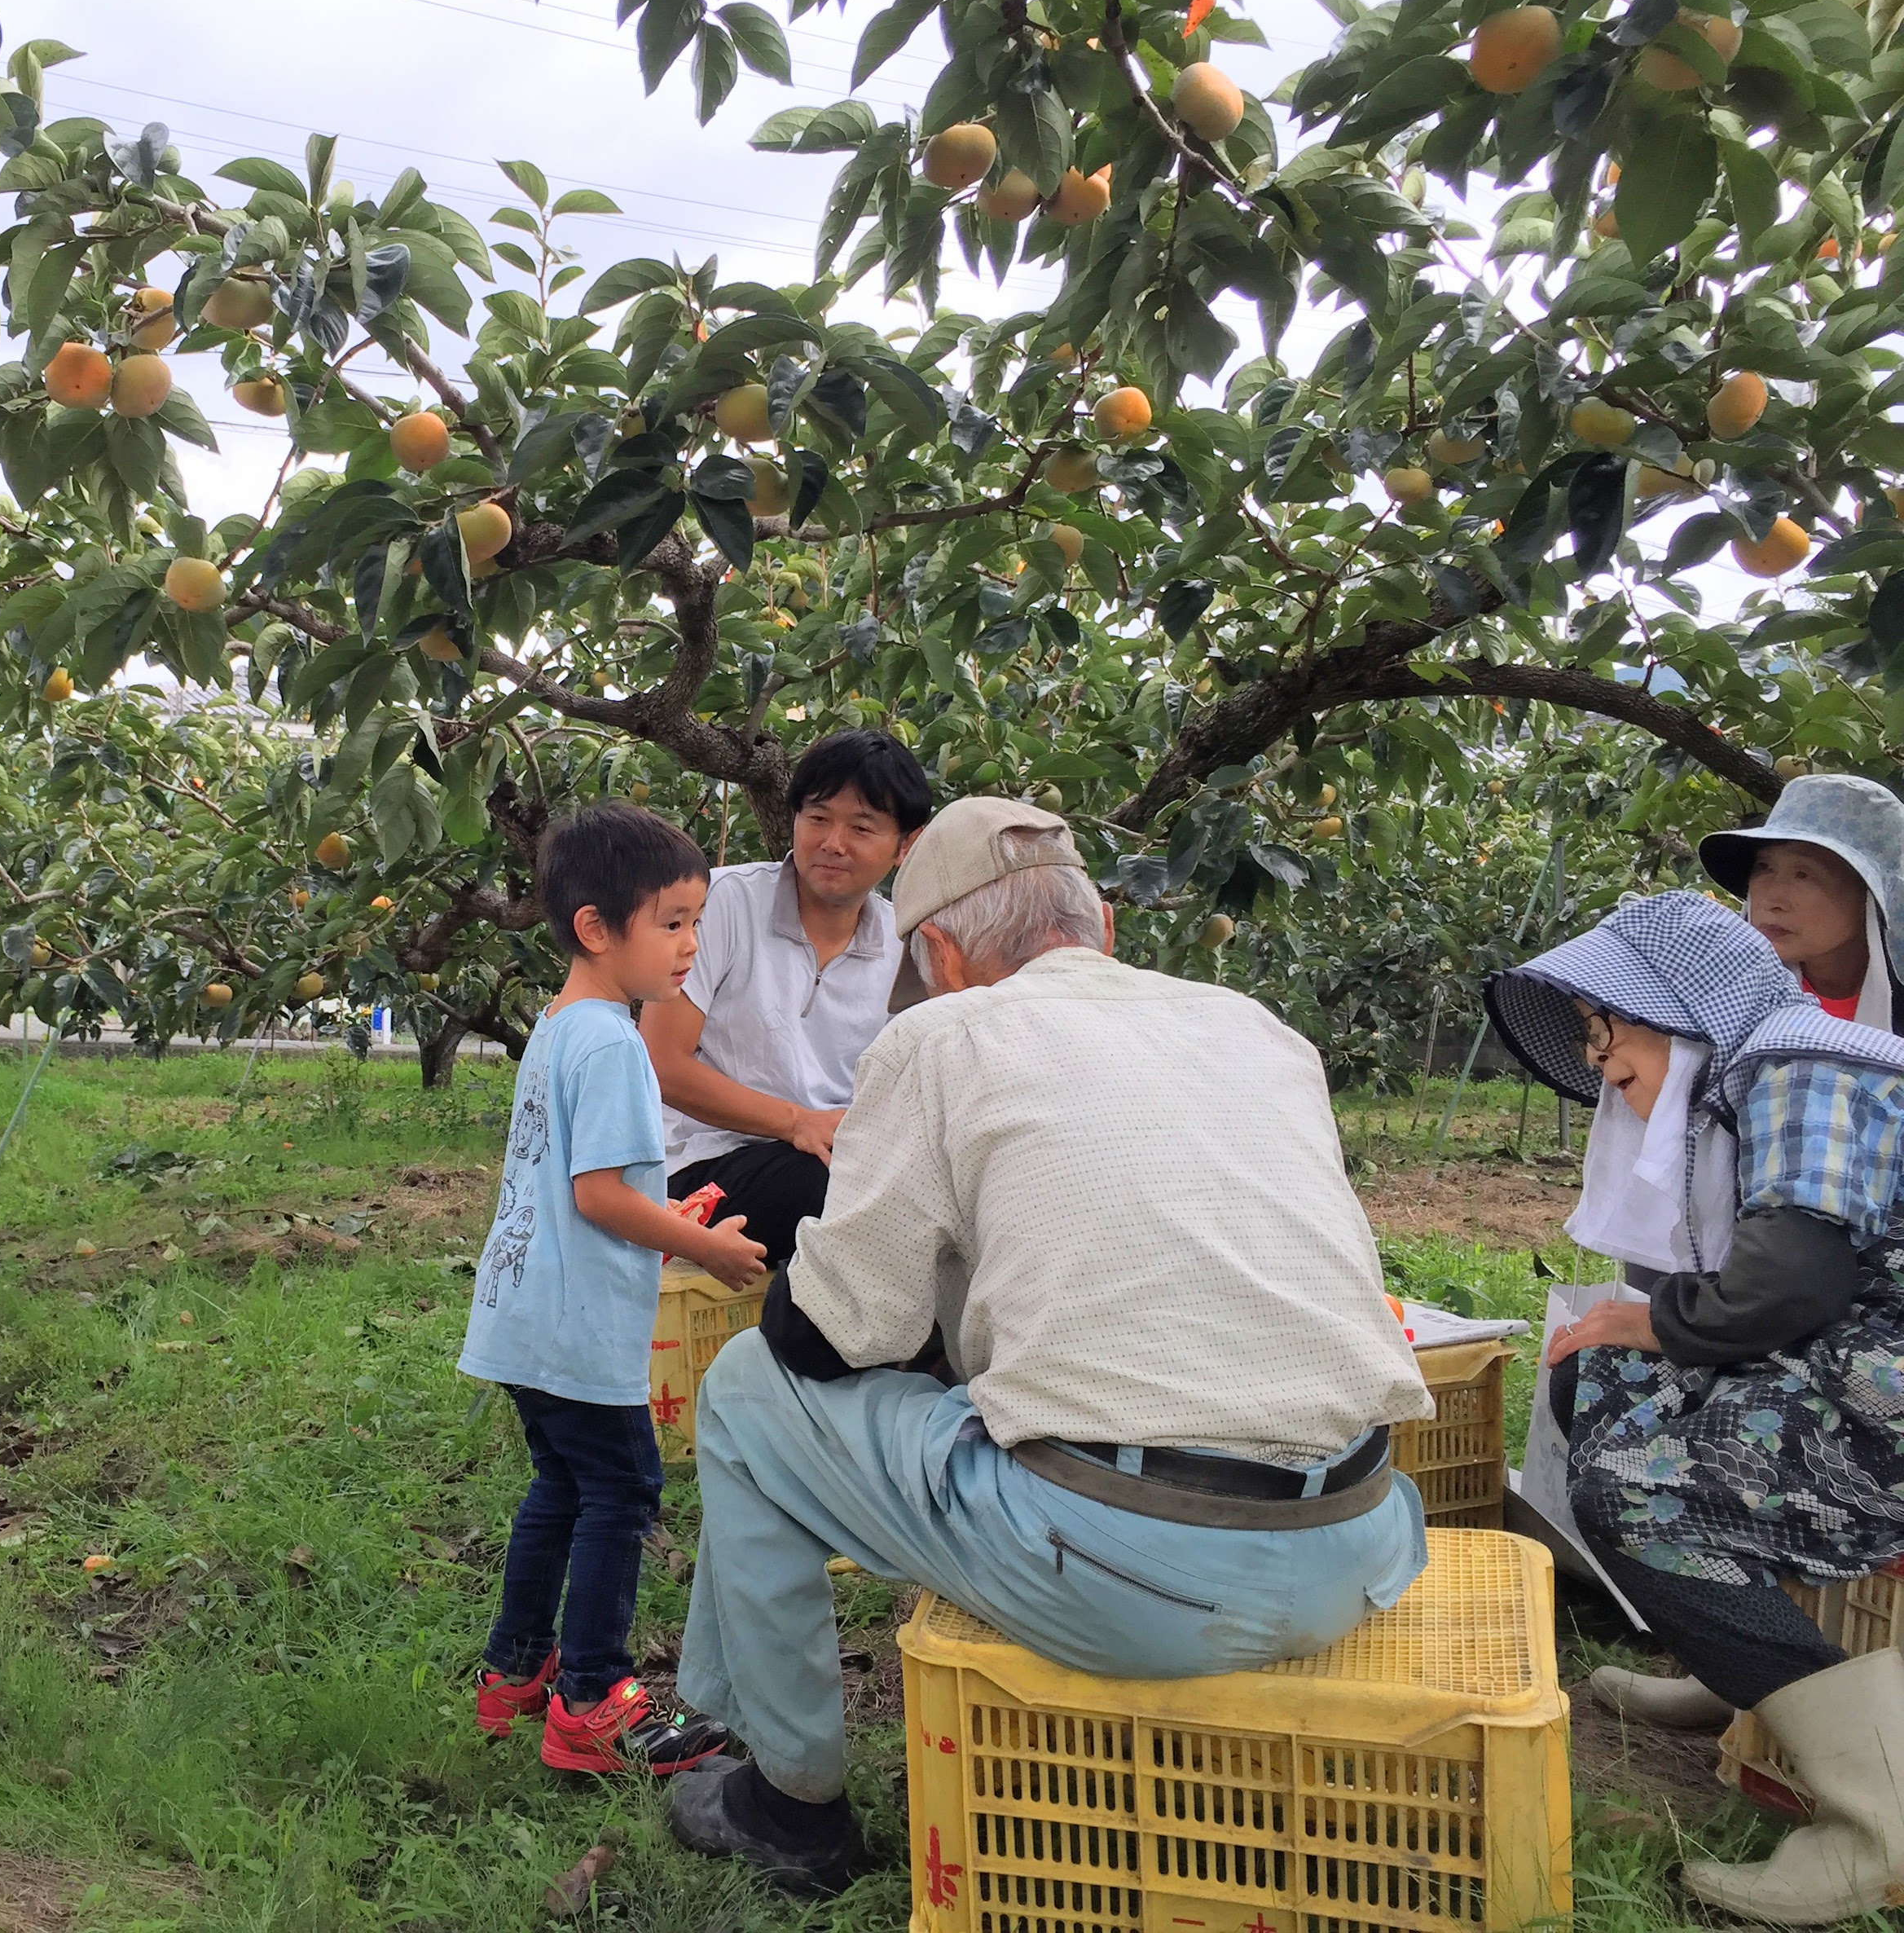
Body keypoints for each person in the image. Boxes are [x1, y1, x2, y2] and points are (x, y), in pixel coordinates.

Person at [662, 796, 1434, 1896]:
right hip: (1362, 1541)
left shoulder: (938, 1037)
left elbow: (838, 1333)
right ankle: (717, 1715)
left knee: (746, 1387)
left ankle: (789, 1806)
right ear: (1103, 929)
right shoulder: (1256, 1028)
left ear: (935, 952)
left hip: (1134, 1571)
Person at [1486, 891, 1904, 1926]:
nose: (1597, 1060)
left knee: (1635, 1492)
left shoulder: (1802, 1070)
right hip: (1843, 1360)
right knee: (1598, 1376)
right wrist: (1642, 1328)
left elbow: (1785, 1287)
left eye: (1605, 1029)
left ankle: (1879, 1819)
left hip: (1879, 1393)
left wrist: (1652, 1323)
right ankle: (1743, 1670)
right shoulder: (1749, 1074)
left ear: (1676, 1007)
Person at [459, 804, 770, 1775]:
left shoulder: (561, 1029)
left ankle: (516, 1671)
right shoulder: (617, 1047)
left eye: (697, 921)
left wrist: (678, 1216)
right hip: (581, 1333)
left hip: (525, 1320)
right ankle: (593, 1697)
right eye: (671, 923)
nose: (690, 945)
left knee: (562, 1485)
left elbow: (583, 1187)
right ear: (599, 928)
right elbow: (602, 1198)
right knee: (623, 1490)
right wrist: (703, 1247)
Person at [644, 730, 931, 1266]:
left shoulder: (904, 946)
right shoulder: (721, 905)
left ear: (905, 846)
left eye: (862, 827)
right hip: (705, 1164)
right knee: (821, 1195)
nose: (832, 843)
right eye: (817, 818)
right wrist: (798, 1123)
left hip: (840, 1162)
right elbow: (661, 1064)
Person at [1700, 773, 1904, 1029]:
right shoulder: (1717, 996)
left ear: (1870, 896)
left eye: (1803, 875)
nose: (1772, 900)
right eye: (1764, 867)